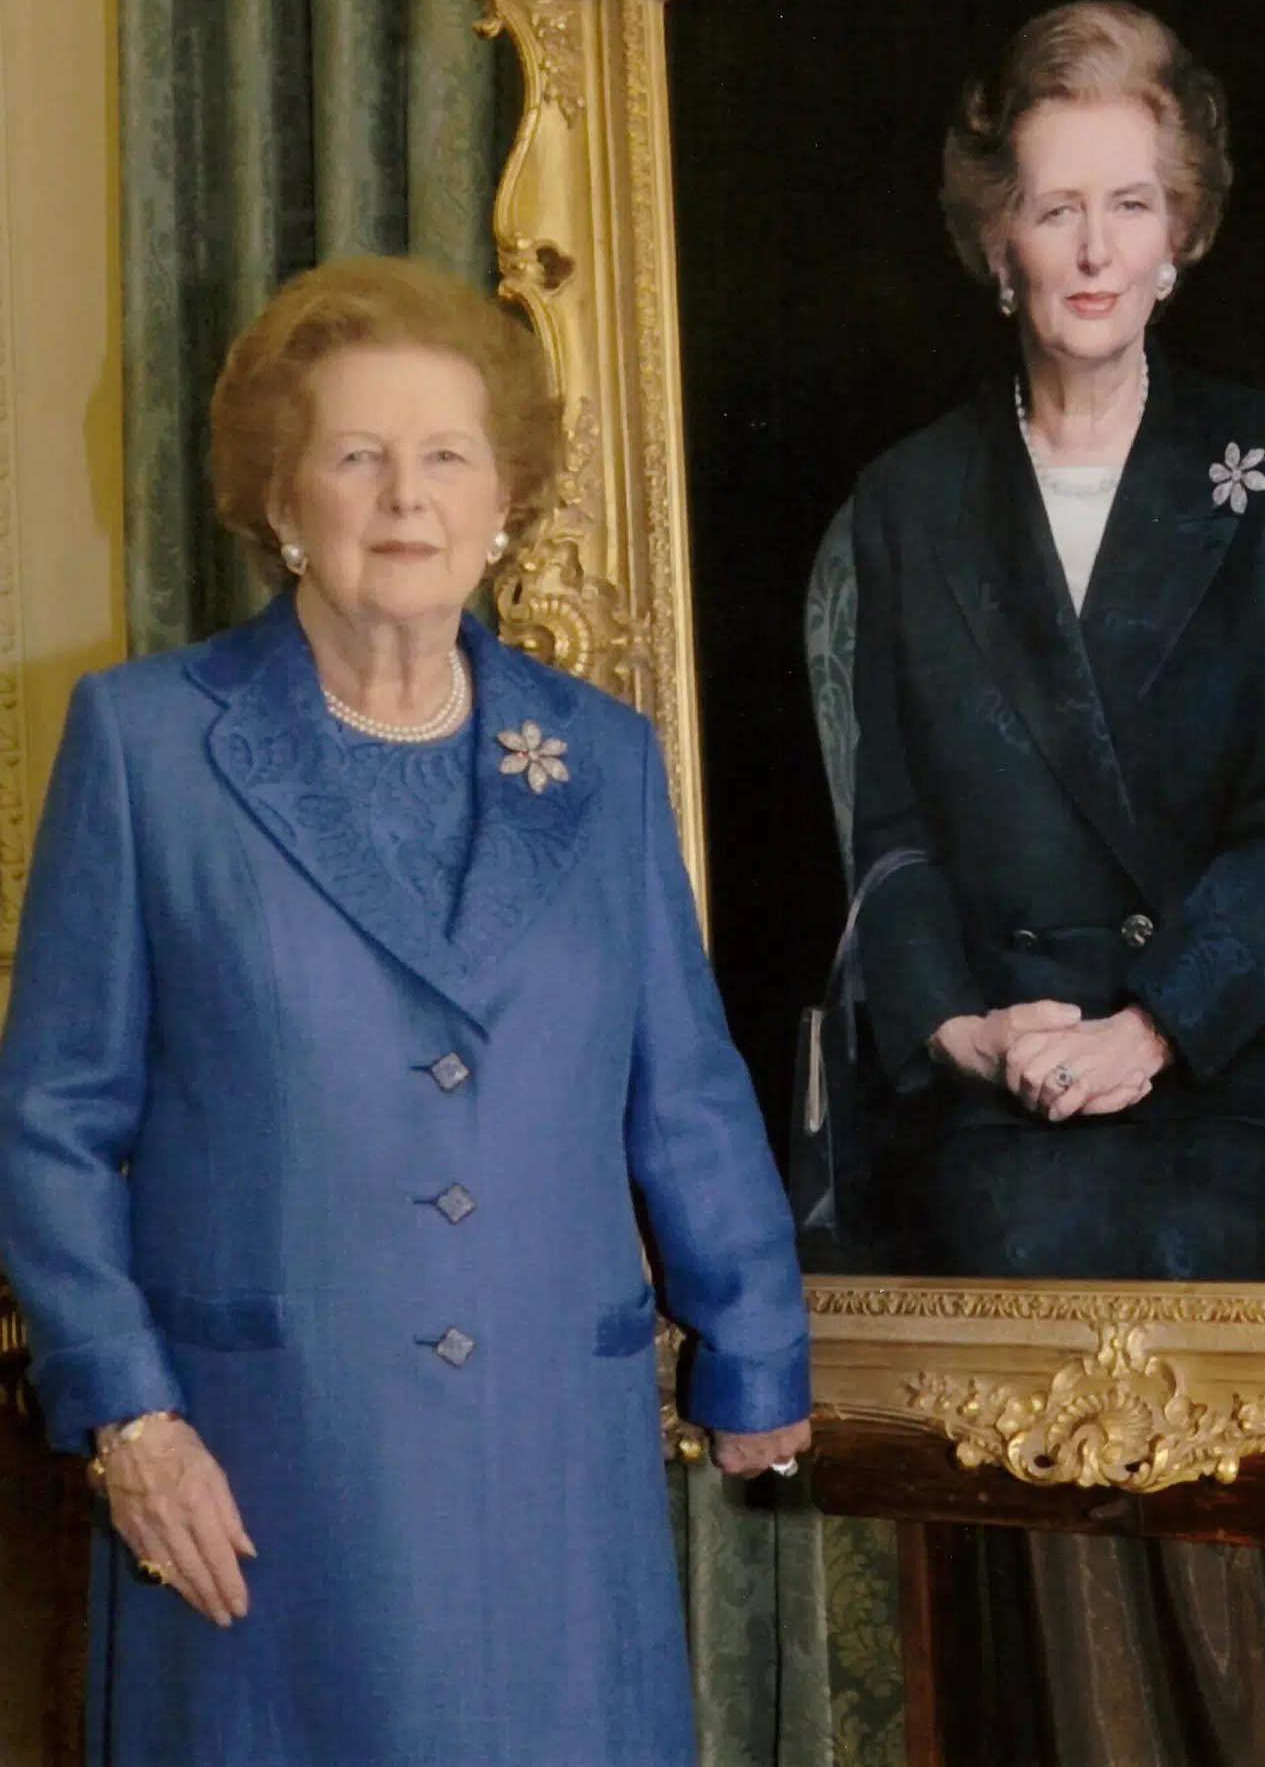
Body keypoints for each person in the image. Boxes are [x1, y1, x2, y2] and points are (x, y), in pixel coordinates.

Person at [0, 256, 811, 1767]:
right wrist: (132, 1422)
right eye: (355, 456)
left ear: (503, 502)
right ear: (280, 500)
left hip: (547, 1482)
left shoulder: (604, 759)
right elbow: (50, 1124)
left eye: (446, 456)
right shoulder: (147, 745)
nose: (403, 497)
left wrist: (753, 1333)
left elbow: (682, 1083)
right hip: (257, 1474)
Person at [851, 0, 1265, 1282]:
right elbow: (891, 832)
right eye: (1054, 206)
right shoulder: (910, 498)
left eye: (1131, 205)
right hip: (998, 1068)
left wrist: (1154, 1028)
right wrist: (964, 1036)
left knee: (1177, 1262)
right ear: (998, 238)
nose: (1093, 251)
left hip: (1217, 1055)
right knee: (1021, 1248)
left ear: (1179, 232)